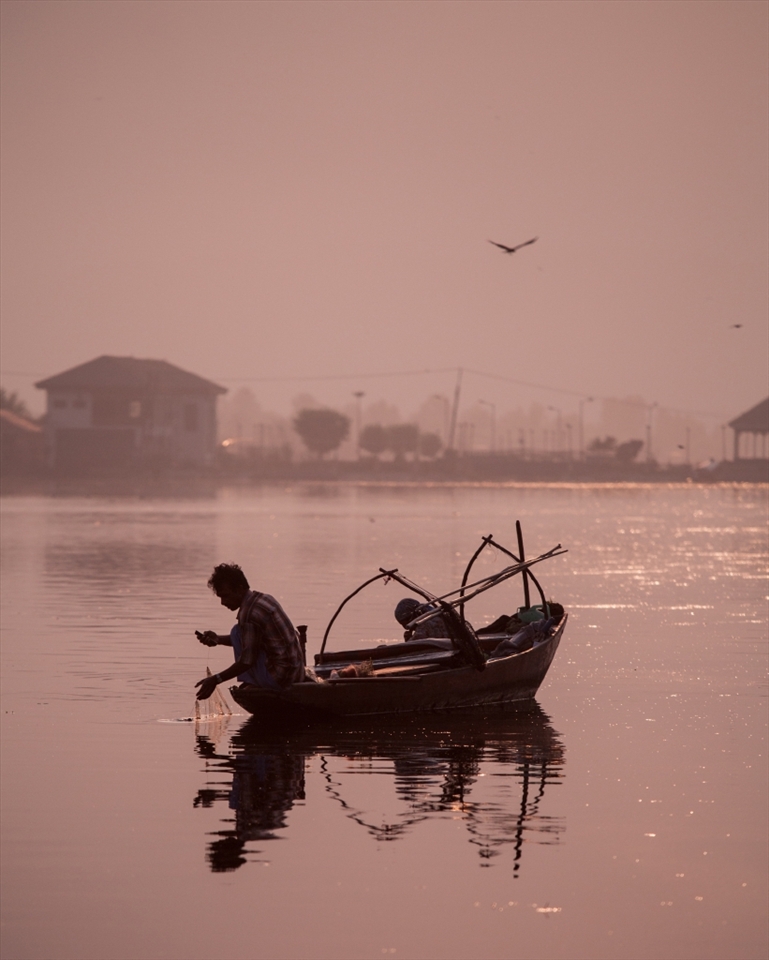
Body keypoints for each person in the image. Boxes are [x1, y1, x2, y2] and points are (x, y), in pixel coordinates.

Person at [195, 563, 305, 700]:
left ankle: (258, 682)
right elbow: (250, 640)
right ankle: (257, 680)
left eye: (226, 596)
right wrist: (218, 639)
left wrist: (215, 679)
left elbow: (247, 661)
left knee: (237, 631)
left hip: (282, 678)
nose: (223, 602)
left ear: (239, 589)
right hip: (295, 672)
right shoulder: (263, 598)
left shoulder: (249, 614)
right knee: (237, 632)